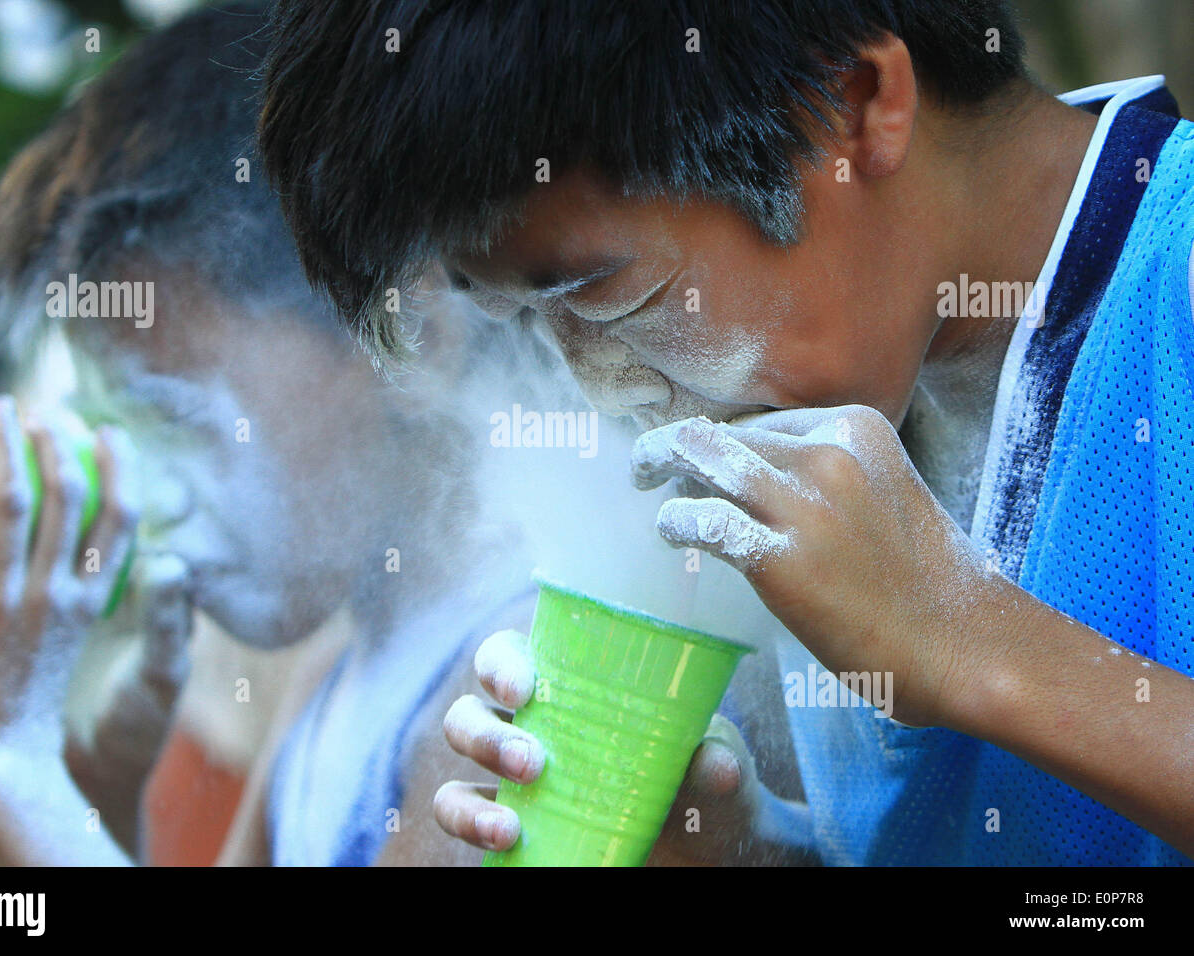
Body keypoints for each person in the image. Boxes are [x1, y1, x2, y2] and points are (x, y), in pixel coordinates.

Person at [258, 0, 1194, 864]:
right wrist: (739, 850)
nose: (603, 390)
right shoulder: (835, 385)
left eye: (599, 291)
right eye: (530, 323)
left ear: (856, 106)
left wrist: (975, 646)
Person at [0, 1, 544, 866]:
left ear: (416, 336)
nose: (152, 497)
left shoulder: (516, 685)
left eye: (175, 417)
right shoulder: (336, 671)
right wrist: (100, 801)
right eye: (122, 427)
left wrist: (3, 770)